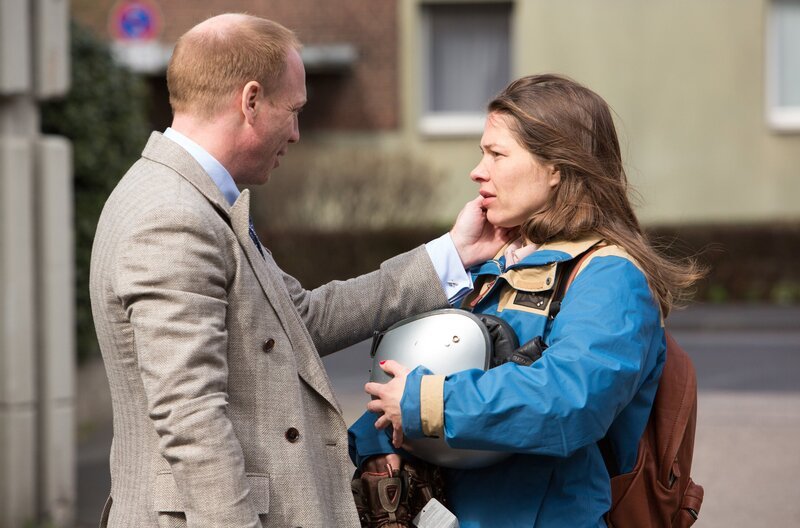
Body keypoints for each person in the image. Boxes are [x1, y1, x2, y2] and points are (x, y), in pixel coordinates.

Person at [89, 13, 509, 528]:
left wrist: (452, 252)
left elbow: (300, 318)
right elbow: (190, 418)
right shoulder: (175, 217)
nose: (296, 132)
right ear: (250, 101)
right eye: (293, 110)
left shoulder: (191, 199)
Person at [349, 73, 704, 527]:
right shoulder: (494, 261)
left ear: (557, 168)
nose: (478, 171)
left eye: (497, 154)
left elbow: (571, 400)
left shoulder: (611, 275)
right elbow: (423, 367)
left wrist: (426, 405)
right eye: (483, 153)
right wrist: (379, 444)